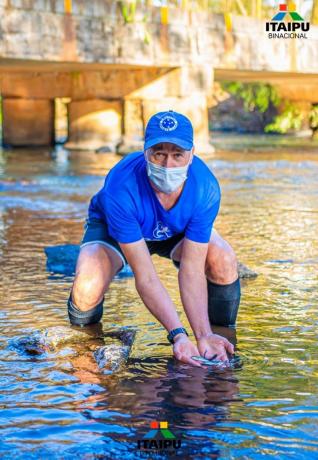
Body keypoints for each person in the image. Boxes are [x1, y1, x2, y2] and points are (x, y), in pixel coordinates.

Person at [67, 110, 240, 368]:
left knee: (223, 260)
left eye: (177, 154)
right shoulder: (120, 186)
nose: (167, 165)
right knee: (87, 286)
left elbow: (192, 270)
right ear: (145, 152)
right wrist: (178, 336)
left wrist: (201, 334)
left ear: (192, 155)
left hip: (174, 231)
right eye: (159, 153)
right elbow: (145, 276)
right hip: (117, 229)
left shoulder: (206, 188)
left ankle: (218, 341)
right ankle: (84, 349)